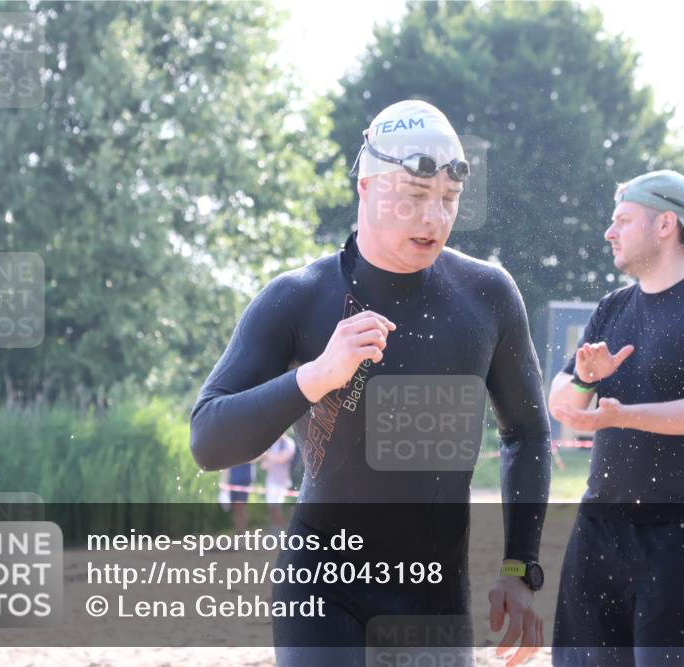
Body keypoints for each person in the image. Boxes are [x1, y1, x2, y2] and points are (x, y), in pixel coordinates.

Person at [190, 99, 551, 667]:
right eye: (413, 197)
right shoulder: (298, 298)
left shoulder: (487, 295)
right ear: (366, 186)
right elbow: (208, 440)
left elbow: (527, 434)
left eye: (449, 201)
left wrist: (518, 566)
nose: (434, 218)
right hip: (322, 588)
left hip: (434, 601)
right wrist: (315, 378)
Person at [548, 169, 684, 667]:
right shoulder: (611, 308)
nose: (609, 232)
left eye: (622, 219)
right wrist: (583, 382)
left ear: (665, 225)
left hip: (681, 528)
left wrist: (620, 415)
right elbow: (562, 400)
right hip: (600, 521)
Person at [260, 432, 296, 531]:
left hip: (282, 481)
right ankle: (276, 530)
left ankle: (285, 532)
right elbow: (265, 464)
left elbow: (282, 459)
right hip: (271, 479)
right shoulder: (274, 444)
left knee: (279, 507)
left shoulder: (289, 443)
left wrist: (267, 455)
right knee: (272, 507)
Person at [218, 463, 254, 533]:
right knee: (236, 508)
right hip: (233, 481)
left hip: (244, 480)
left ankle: (243, 531)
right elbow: (226, 467)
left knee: (241, 506)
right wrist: (223, 482)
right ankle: (239, 531)